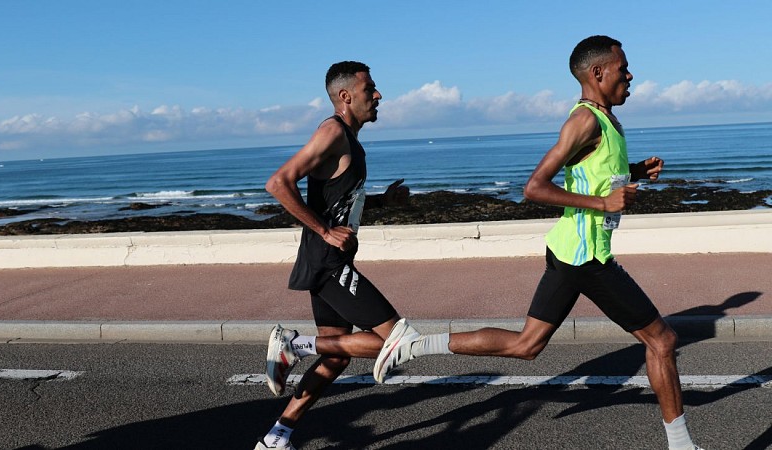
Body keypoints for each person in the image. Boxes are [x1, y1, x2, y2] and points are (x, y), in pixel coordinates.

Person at [373, 36, 704, 450]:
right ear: (598, 73)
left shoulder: (604, 120)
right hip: (587, 257)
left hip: (571, 251)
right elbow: (534, 187)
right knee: (663, 340)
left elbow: (588, 170)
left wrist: (634, 169)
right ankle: (681, 446)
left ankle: (417, 344)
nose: (630, 74)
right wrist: (604, 202)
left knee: (527, 345)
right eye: (623, 68)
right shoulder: (583, 121)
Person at [255, 61, 413, 450]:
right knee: (396, 340)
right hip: (327, 260)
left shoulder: (349, 140)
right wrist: (324, 230)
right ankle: (294, 344)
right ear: (345, 96)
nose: (378, 96)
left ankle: (278, 435)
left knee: (337, 356)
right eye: (369, 89)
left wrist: (381, 201)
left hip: (330, 260)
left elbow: (338, 200)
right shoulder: (332, 132)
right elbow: (278, 182)